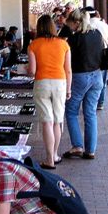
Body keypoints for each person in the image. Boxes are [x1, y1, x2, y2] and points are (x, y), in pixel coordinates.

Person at [27, 14, 72, 169]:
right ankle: (55, 155)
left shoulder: (33, 45)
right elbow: (68, 70)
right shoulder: (63, 44)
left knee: (47, 121)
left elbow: (32, 71)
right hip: (60, 83)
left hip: (42, 83)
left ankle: (49, 159)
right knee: (58, 121)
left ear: (39, 27)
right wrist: (69, 89)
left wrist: (27, 69)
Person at [63, 9, 105, 160]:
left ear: (76, 22)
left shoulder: (75, 39)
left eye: (71, 25)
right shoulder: (97, 34)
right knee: (90, 113)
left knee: (71, 112)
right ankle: (90, 150)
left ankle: (77, 146)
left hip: (80, 77)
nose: (70, 28)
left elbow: (68, 61)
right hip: (97, 75)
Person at [85, 6, 108, 110]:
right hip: (103, 55)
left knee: (89, 81)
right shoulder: (104, 25)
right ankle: (100, 103)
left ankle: (89, 103)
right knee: (102, 81)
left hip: (88, 56)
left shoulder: (86, 25)